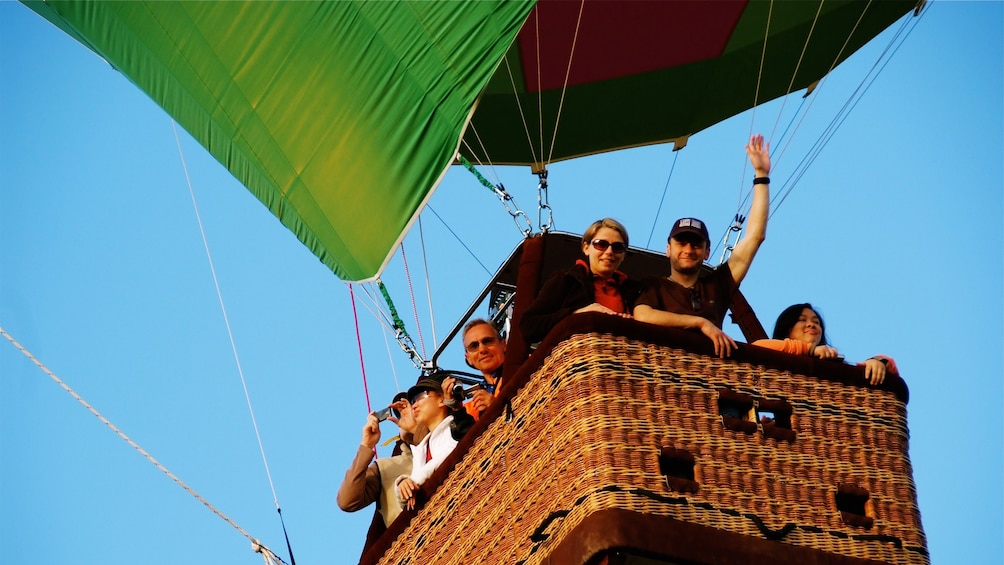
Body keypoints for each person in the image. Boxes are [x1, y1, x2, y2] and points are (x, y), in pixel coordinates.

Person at [634, 134, 771, 358]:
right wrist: (700, 323)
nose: (688, 249)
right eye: (681, 242)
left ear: (707, 252)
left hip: (707, 374)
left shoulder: (717, 285)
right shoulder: (653, 286)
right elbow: (643, 315)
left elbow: (755, 236)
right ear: (668, 249)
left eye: (696, 244)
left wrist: (761, 176)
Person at [520, 218, 641, 344]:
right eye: (601, 244)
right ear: (586, 248)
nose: (609, 252)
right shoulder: (568, 280)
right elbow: (528, 326)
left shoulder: (633, 290)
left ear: (623, 255)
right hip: (579, 358)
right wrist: (577, 314)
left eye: (617, 247)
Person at [337, 392, 427, 526]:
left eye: (412, 408)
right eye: (401, 412)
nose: (405, 415)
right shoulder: (384, 468)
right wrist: (366, 446)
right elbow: (347, 501)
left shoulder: (447, 441)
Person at [753, 303, 897, 385]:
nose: (811, 325)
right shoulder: (776, 364)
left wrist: (878, 362)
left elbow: (889, 367)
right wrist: (808, 350)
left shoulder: (833, 365)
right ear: (787, 329)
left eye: (816, 322)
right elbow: (757, 347)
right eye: (802, 320)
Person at [395, 378, 459, 510]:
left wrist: (414, 482)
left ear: (442, 399)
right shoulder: (421, 448)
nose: (414, 405)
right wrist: (402, 485)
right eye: (413, 402)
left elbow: (451, 452)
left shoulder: (455, 427)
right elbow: (407, 504)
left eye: (420, 397)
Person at [442, 319, 505, 420]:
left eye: (488, 341)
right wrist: (456, 408)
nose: (482, 349)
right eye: (474, 346)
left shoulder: (523, 369)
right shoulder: (473, 407)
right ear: (468, 358)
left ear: (503, 345)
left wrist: (496, 406)